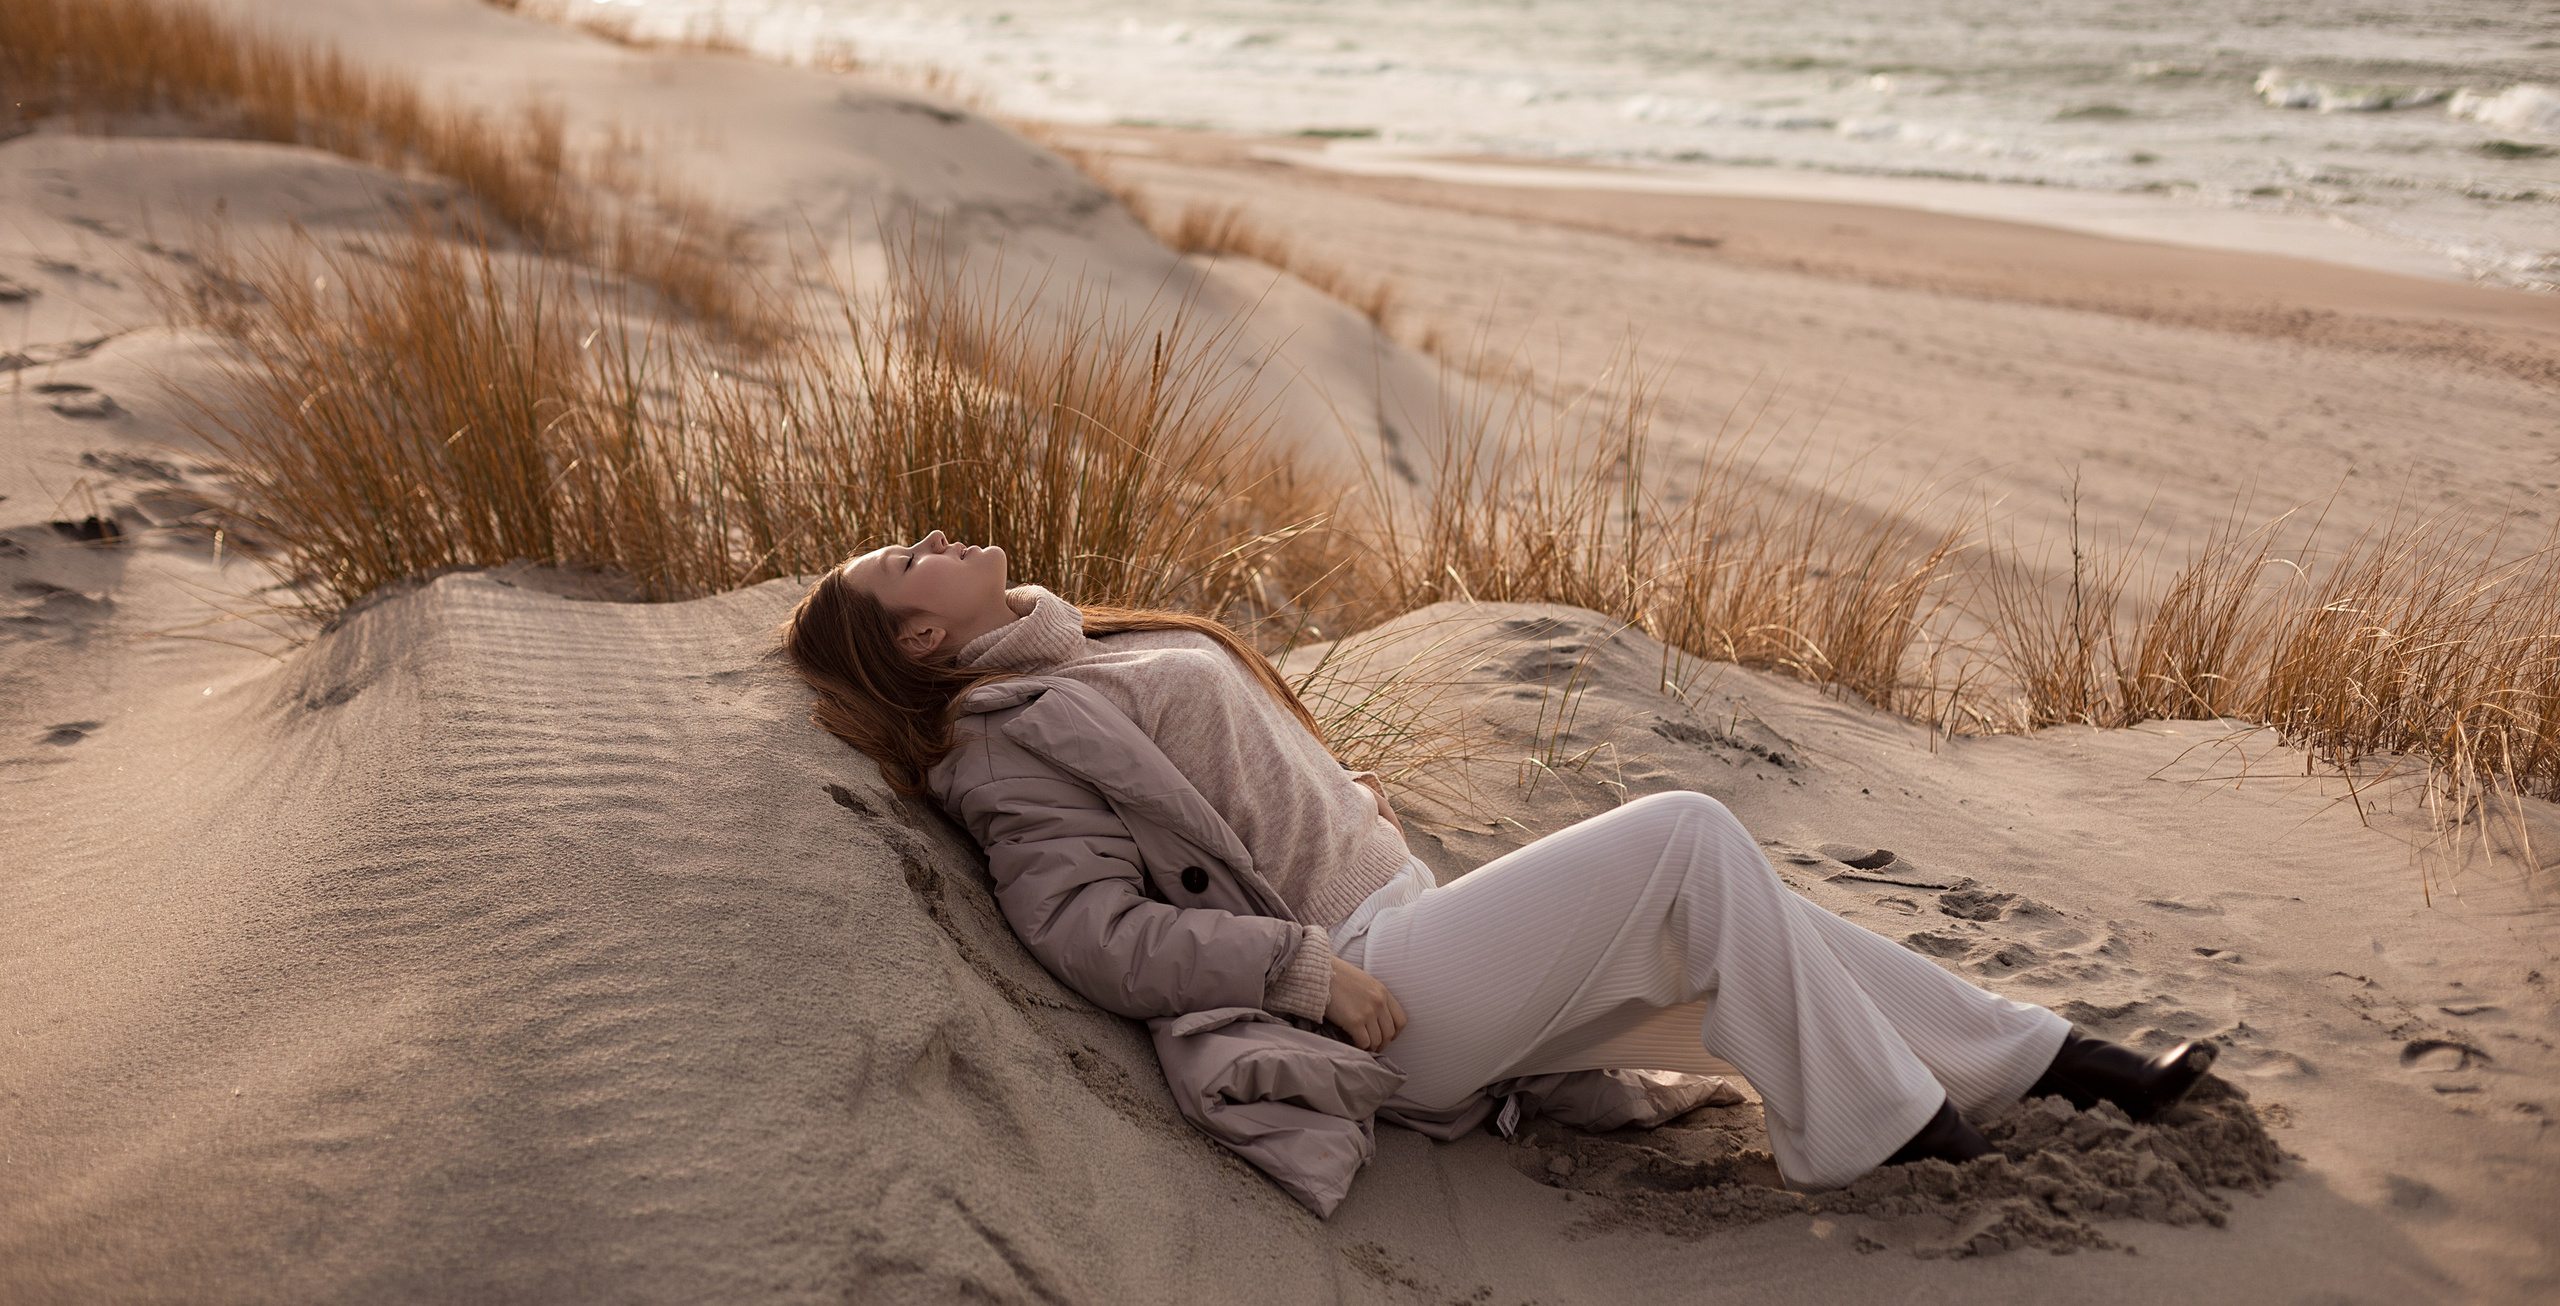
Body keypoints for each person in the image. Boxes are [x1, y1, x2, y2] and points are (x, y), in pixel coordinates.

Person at [781, 531, 2216, 1197]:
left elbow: (1228, 798)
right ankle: (1878, 1133)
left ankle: (2061, 1062)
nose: (936, 535)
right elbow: (1088, 930)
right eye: (909, 557)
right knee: (1688, 837)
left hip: (1408, 925)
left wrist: (1340, 801)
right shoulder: (1002, 737)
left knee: (1741, 921)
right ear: (922, 639)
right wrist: (1302, 967)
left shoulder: (1075, 651)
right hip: (1383, 999)